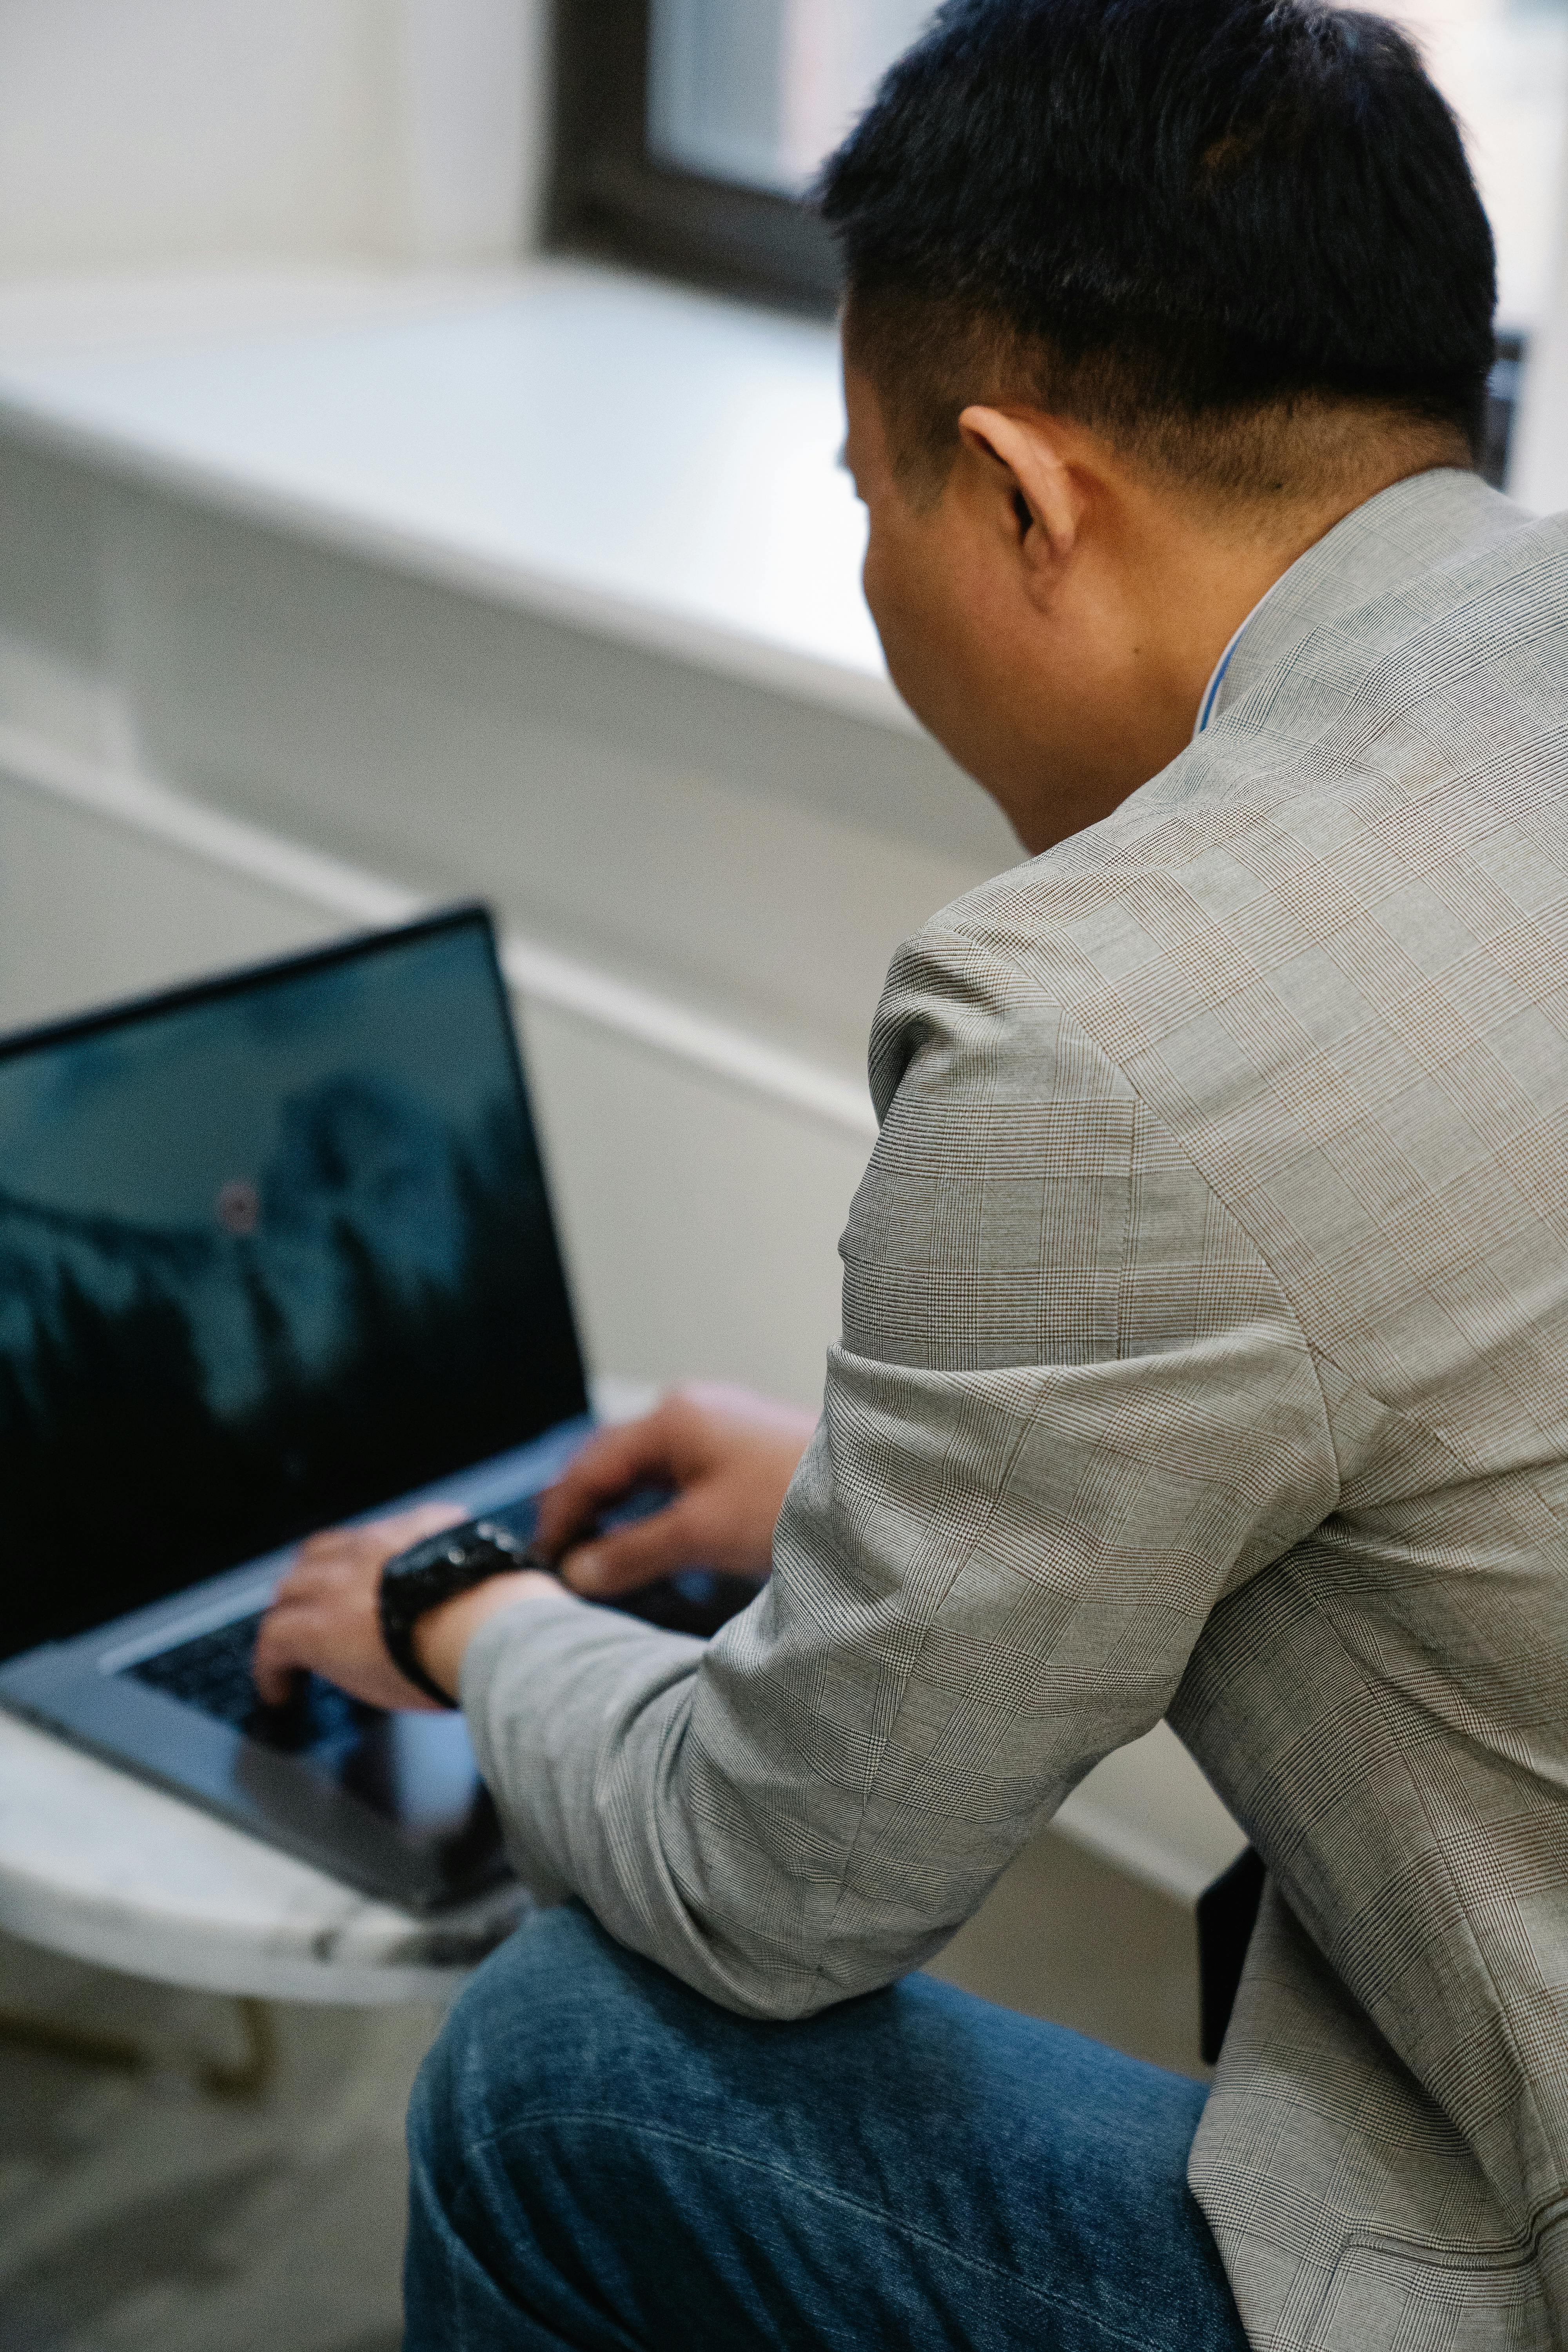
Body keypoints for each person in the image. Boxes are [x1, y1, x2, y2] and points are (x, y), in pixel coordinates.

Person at [253, 0, 1568, 2343]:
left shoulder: (1101, 1024)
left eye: (872, 502)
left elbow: (775, 1885)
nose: (877, 576)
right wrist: (859, 1508)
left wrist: (471, 1607)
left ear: (1019, 495)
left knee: (565, 2080)